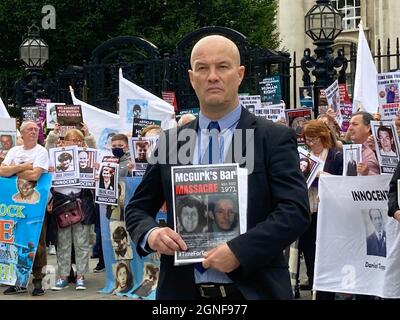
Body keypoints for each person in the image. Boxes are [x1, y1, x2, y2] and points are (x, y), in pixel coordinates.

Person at [125, 35, 310, 300]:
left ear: (239, 74)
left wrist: (240, 250)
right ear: (192, 77)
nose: (212, 76)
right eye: (202, 68)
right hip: (182, 292)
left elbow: (294, 211)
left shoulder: (271, 137)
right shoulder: (173, 142)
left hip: (253, 291)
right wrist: (151, 234)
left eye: (222, 67)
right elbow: (137, 208)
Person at [0, 120, 49, 296]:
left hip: (35, 206)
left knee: (37, 243)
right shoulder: (14, 151)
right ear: (22, 133)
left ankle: (38, 282)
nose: (34, 131)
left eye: (36, 129)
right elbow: (1, 171)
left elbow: (35, 175)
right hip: (15, 206)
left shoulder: (41, 151)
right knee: (17, 242)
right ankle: (18, 282)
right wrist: (23, 167)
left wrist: (12, 170)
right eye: (30, 129)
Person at [300, 120, 343, 299]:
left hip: (327, 213)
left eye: (314, 139)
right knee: (310, 254)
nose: (311, 143)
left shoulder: (335, 156)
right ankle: (313, 288)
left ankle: (327, 293)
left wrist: (321, 175)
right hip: (308, 211)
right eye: (307, 140)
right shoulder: (304, 157)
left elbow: (342, 182)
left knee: (327, 256)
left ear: (323, 137)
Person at [51, 128, 96, 291]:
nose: (75, 143)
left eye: (78, 140)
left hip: (81, 204)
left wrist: (88, 135)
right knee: (63, 243)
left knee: (82, 243)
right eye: (72, 140)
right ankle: (63, 277)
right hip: (61, 205)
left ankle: (81, 277)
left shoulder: (86, 158)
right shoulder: (57, 155)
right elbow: (49, 146)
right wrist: (54, 134)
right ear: (64, 141)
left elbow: (93, 150)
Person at [346, 111, 380, 175]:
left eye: (355, 124)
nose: (349, 128)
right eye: (349, 124)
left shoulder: (378, 149)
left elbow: (389, 179)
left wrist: (367, 173)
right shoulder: (348, 150)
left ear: (368, 127)